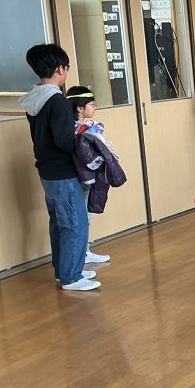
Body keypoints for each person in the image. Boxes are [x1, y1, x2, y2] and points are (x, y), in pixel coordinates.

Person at [20, 44, 99, 291]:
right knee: (75, 223)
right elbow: (64, 141)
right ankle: (71, 277)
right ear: (60, 69)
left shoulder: (34, 98)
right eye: (66, 67)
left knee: (59, 223)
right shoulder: (57, 101)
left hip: (47, 171)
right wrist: (85, 138)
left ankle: (63, 270)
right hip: (63, 171)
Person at [66, 86, 113, 263]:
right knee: (82, 215)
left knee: (86, 212)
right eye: (92, 104)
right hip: (81, 176)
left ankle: (84, 251)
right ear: (79, 108)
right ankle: (81, 254)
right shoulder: (78, 129)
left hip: (87, 176)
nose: (95, 107)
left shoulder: (86, 127)